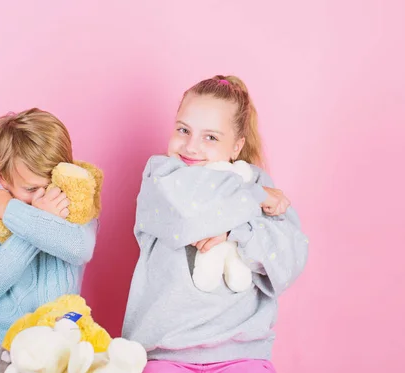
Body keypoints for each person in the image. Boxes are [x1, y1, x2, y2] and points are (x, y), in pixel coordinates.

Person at [122, 75, 309, 373]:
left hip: (243, 352)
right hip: (165, 353)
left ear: (236, 147)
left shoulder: (256, 182)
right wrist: (254, 199)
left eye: (210, 137)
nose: (191, 147)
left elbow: (289, 258)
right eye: (183, 130)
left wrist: (237, 231)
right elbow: (187, 215)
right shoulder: (161, 177)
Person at [0, 108, 98, 369]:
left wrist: (13, 211)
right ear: (2, 176)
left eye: (51, 184)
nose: (43, 197)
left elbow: (80, 249)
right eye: (30, 189)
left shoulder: (75, 203)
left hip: (54, 349)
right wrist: (34, 219)